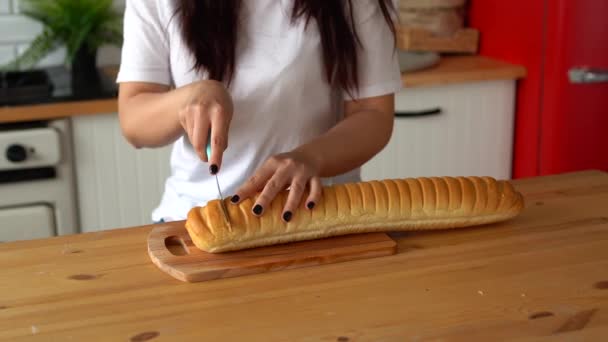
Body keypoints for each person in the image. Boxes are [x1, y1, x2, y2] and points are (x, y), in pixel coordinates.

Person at [116, 0, 402, 223]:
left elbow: (373, 113)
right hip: (196, 216)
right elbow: (133, 119)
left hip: (319, 216)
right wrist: (187, 99)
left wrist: (310, 158)